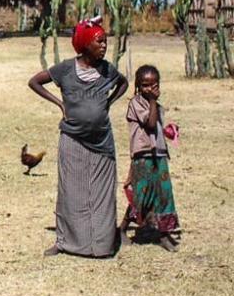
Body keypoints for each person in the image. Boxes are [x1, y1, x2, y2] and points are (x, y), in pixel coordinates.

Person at [28, 16, 129, 257]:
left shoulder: (107, 70)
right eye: (99, 42)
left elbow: (123, 84)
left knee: (102, 193)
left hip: (102, 141)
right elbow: (35, 82)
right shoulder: (65, 69)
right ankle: (65, 242)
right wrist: (60, 104)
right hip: (72, 139)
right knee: (70, 192)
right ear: (84, 45)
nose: (104, 46)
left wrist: (109, 103)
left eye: (105, 42)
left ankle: (102, 244)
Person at [123, 64, 180, 251]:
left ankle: (164, 234)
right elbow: (149, 123)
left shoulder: (157, 106)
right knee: (141, 196)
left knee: (164, 193)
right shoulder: (136, 104)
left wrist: (167, 132)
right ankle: (122, 230)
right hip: (143, 157)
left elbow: (155, 129)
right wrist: (153, 102)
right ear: (138, 85)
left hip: (159, 156)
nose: (149, 88)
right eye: (145, 85)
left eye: (153, 84)